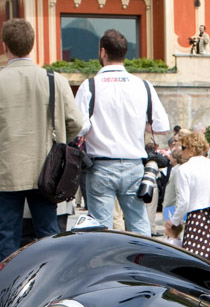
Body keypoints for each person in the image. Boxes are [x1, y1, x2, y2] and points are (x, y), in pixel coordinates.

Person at [0, 19, 83, 262]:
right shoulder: (56, 80)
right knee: (49, 235)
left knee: (7, 238)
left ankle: (9, 292)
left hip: (7, 171)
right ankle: (49, 285)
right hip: (47, 169)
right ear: (32, 45)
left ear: (4, 46)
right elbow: (76, 122)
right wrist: (61, 139)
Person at [76, 29, 170, 237]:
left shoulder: (90, 86)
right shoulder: (143, 86)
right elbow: (162, 125)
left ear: (103, 52)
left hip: (100, 164)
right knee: (139, 224)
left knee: (100, 229)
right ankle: (143, 263)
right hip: (134, 163)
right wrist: (141, 124)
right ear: (124, 53)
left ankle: (104, 268)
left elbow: (79, 127)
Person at [166, 131, 210, 266]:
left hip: (196, 220)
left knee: (193, 265)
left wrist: (174, 222)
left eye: (183, 148)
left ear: (191, 149)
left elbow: (184, 202)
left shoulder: (184, 170)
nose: (181, 151)